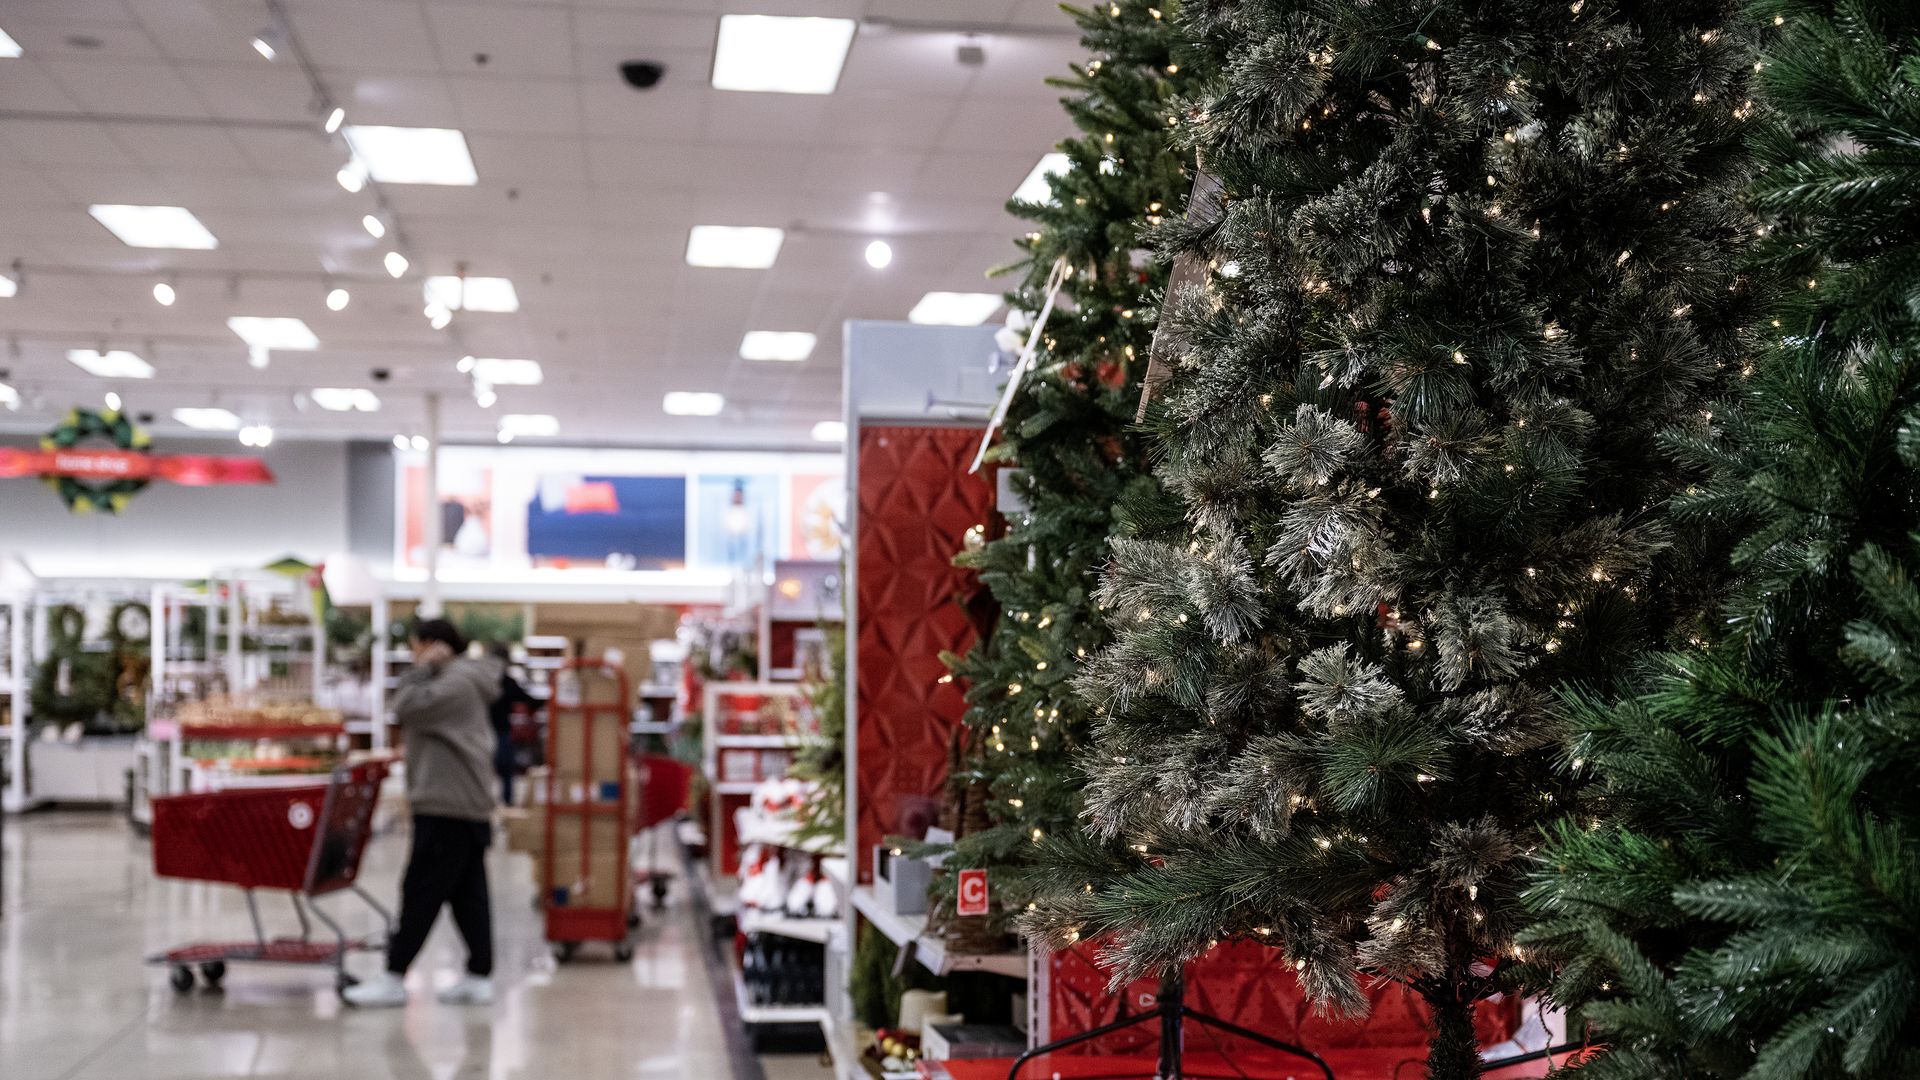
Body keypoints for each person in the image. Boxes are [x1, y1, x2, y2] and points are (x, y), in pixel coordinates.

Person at [344, 619, 501, 1008]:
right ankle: (480, 975)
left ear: (434, 646)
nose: (413, 655)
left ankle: (394, 976)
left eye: (416, 647)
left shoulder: (454, 682)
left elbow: (406, 707)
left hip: (447, 803)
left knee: (421, 890)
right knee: (467, 894)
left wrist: (422, 669)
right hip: (462, 801)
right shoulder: (463, 680)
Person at [487, 642, 540, 804]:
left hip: (483, 732)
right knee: (506, 771)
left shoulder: (485, 682)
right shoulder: (508, 682)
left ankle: (485, 804)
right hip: (501, 731)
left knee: (483, 770)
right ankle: (507, 804)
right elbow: (528, 700)